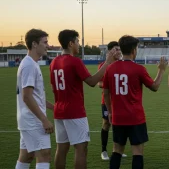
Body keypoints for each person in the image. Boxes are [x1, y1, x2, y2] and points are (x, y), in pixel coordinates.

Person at [50, 29, 116, 169]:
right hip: (74, 111)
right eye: (77, 41)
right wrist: (107, 63)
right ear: (70, 43)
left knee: (61, 148)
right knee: (81, 148)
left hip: (59, 111)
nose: (79, 45)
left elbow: (53, 87)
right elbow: (92, 82)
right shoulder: (74, 61)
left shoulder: (54, 62)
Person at [104, 35, 166, 169]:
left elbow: (106, 93)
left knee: (116, 151)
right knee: (137, 153)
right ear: (133, 50)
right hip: (135, 118)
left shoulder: (110, 68)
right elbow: (154, 87)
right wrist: (161, 70)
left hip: (118, 117)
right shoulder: (139, 69)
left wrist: (109, 111)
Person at [16, 29, 54, 169]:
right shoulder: (29, 65)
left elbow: (34, 96)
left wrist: (52, 107)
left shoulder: (31, 63)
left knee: (27, 156)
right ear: (34, 44)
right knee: (44, 154)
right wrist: (44, 119)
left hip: (28, 119)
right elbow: (27, 97)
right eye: (45, 42)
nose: (47, 45)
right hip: (33, 120)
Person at [97, 41, 127, 160]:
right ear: (110, 51)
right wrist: (109, 85)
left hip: (120, 101)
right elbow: (99, 83)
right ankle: (104, 151)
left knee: (119, 125)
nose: (119, 51)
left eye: (119, 49)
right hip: (107, 100)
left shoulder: (123, 65)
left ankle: (118, 150)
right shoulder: (104, 66)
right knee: (106, 123)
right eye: (116, 49)